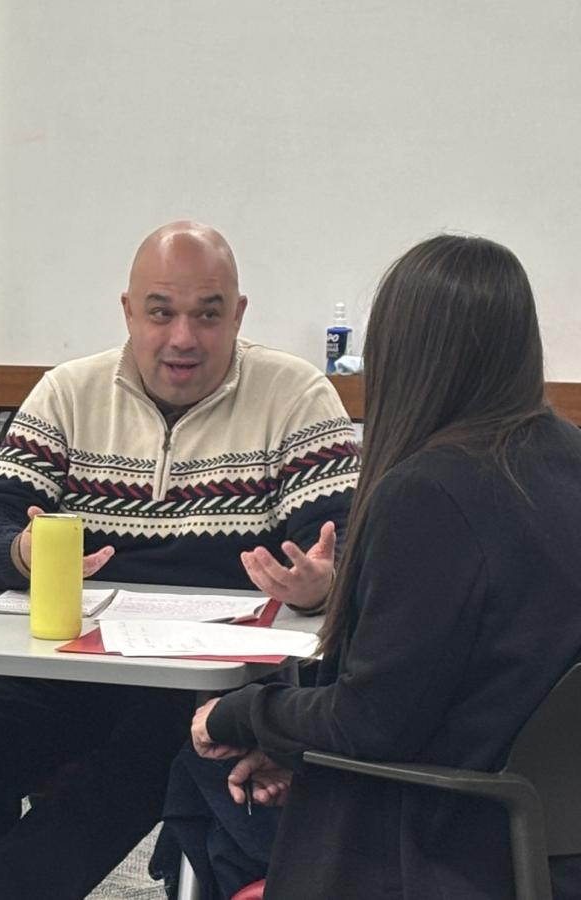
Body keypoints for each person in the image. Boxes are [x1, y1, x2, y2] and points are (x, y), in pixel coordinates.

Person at [0, 222, 360, 899]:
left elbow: (345, 542)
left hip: (205, 679)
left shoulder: (296, 398)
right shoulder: (69, 392)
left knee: (158, 743)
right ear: (128, 311)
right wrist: (22, 551)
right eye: (161, 313)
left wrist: (323, 581)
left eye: (208, 315)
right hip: (71, 666)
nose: (183, 337)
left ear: (237, 315)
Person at [190, 234, 581, 899]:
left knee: (201, 759)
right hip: (544, 834)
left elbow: (371, 722)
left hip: (438, 840)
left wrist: (242, 715)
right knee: (217, 780)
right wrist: (282, 735)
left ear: (404, 353)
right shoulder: (566, 457)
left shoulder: (430, 493)